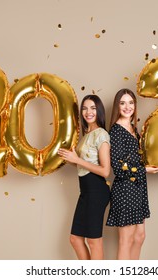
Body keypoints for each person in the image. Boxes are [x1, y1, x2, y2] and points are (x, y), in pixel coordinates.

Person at [106, 88, 158, 260]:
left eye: (130, 102)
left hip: (138, 188)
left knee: (139, 237)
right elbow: (117, 166)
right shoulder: (116, 131)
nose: (127, 106)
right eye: (122, 103)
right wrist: (144, 170)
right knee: (126, 240)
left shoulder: (133, 128)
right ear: (117, 106)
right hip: (125, 190)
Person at [58, 94, 111, 260]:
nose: (88, 112)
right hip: (86, 192)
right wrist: (71, 161)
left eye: (93, 108)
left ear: (99, 111)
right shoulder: (87, 134)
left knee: (94, 241)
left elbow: (105, 171)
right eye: (85, 108)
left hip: (97, 191)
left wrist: (77, 160)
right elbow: (85, 163)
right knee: (75, 239)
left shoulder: (101, 134)